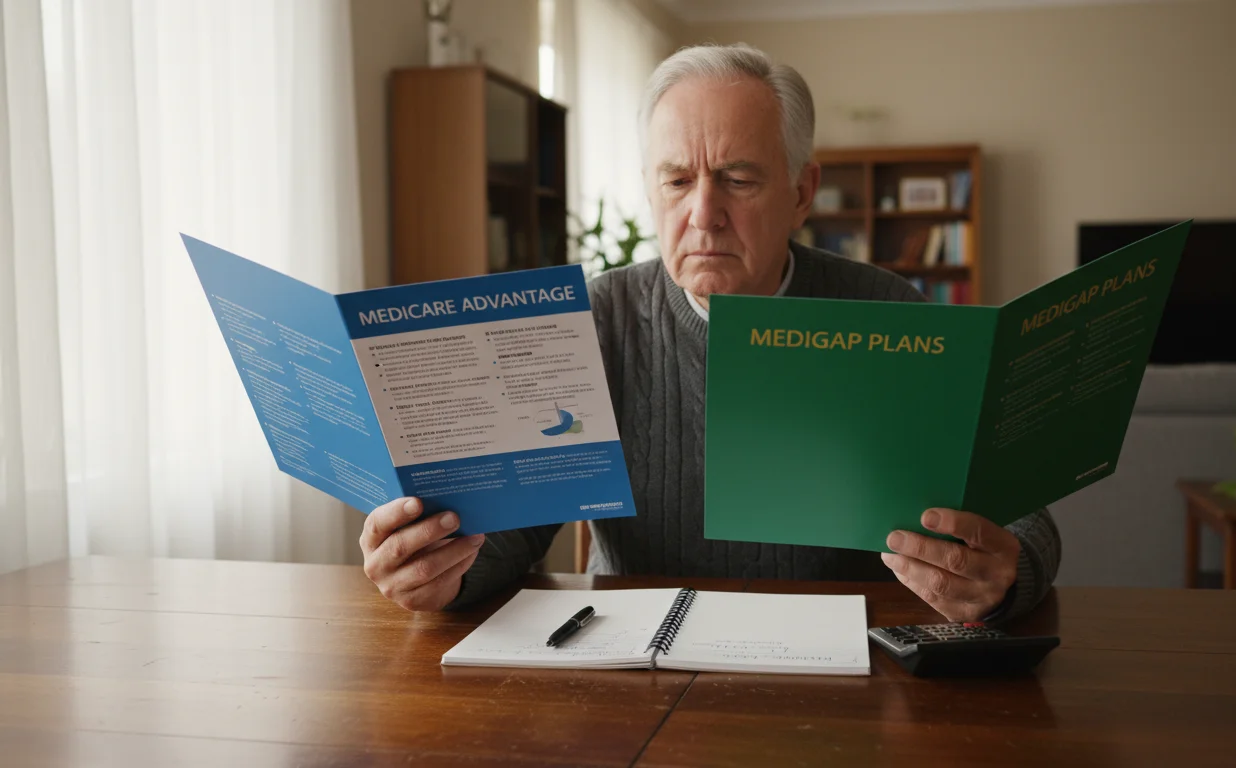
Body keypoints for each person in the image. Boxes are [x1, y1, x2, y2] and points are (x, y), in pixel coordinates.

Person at [360, 43, 1061, 623]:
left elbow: (1026, 520)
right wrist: (437, 567)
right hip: (631, 662)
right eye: (676, 181)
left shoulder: (891, 312)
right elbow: (508, 537)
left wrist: (1004, 576)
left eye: (737, 179)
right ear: (650, 188)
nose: (703, 213)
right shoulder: (594, 320)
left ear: (801, 192)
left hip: (848, 671)